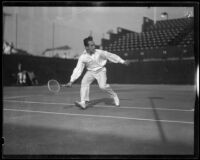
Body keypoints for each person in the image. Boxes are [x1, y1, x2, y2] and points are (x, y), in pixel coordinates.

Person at [66, 36, 130, 109]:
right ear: (86, 47)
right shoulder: (82, 57)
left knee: (102, 87)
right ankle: (83, 102)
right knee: (84, 82)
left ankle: (114, 95)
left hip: (100, 71)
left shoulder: (99, 52)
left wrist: (122, 61)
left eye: (94, 45)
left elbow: (110, 56)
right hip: (90, 72)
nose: (94, 46)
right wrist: (71, 81)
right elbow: (78, 69)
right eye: (92, 45)